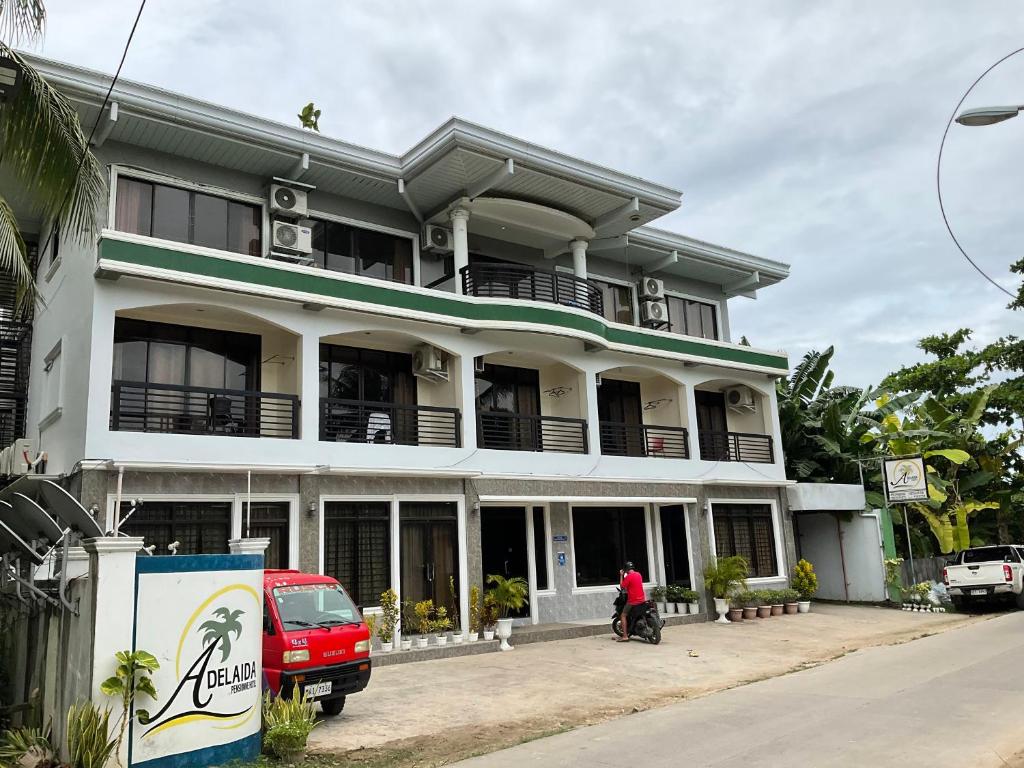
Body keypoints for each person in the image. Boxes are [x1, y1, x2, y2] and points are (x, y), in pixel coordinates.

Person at [618, 561, 645, 642]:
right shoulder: (638, 574)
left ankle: (625, 636)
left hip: (633, 601)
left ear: (626, 569)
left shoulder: (628, 577)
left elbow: (622, 587)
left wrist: (621, 575)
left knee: (623, 615)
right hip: (642, 599)